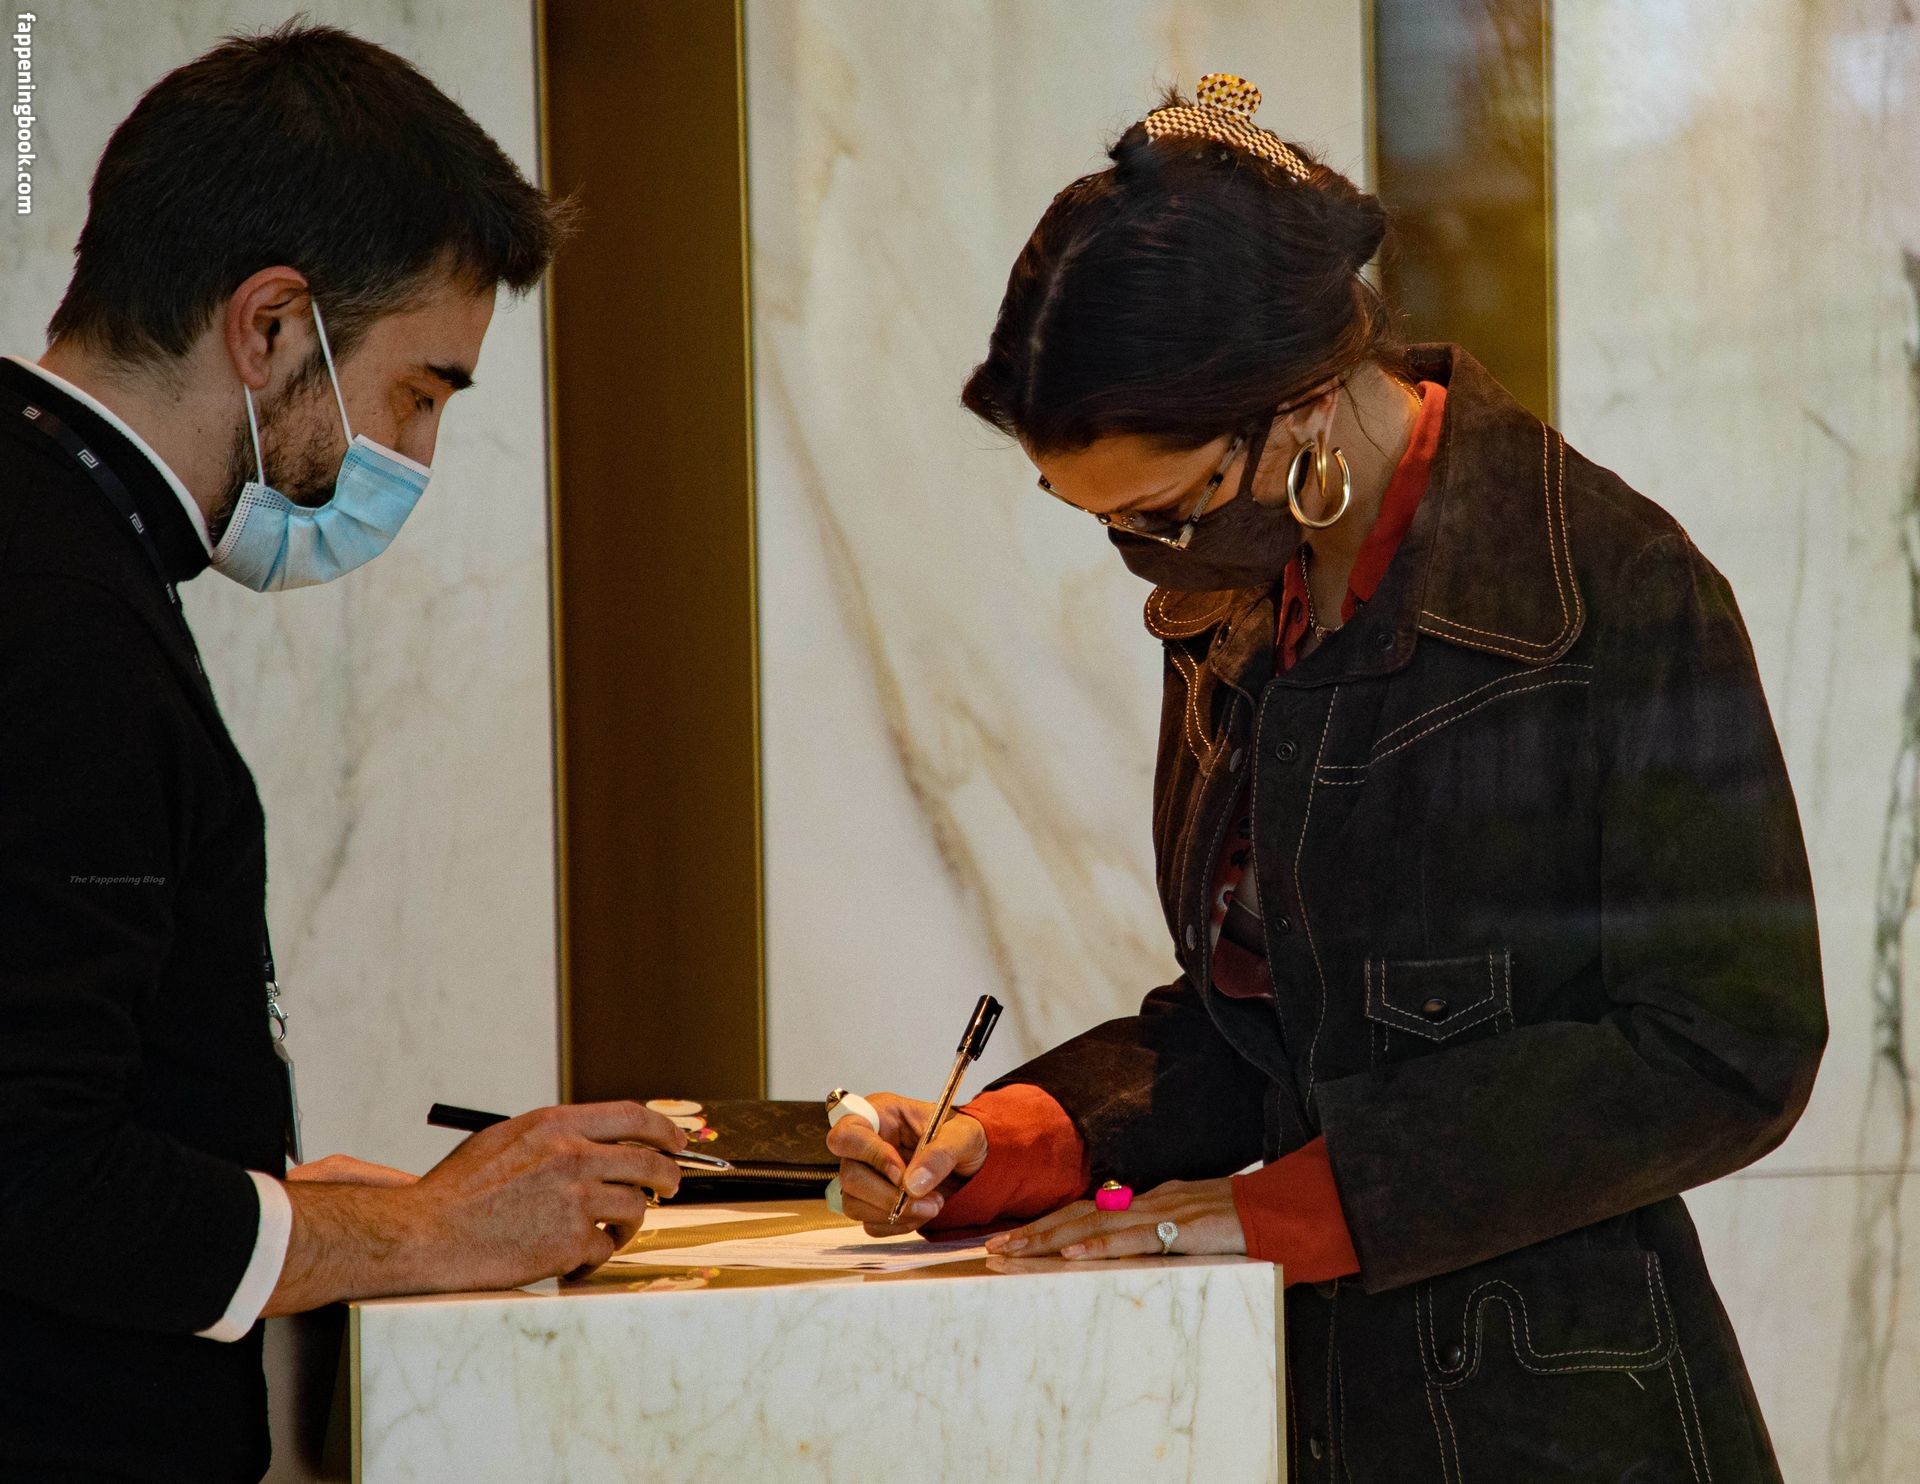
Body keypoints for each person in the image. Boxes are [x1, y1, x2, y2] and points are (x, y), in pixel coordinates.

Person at [829, 75, 1827, 1480]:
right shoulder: (1240, 602)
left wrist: (1305, 1208)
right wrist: (1016, 1140)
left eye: (1163, 509)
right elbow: (1266, 1020)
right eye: (1101, 520)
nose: (1148, 558)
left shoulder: (1610, 593)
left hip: (1558, 1419)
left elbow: (1731, 1045)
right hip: (1303, 1403)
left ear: (1298, 405)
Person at [0, 23, 685, 1482]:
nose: (415, 460)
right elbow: (31, 1172)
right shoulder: (53, 607)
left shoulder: (66, 540)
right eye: (418, 393)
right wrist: (421, 1230)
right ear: (270, 327)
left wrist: (307, 1205)